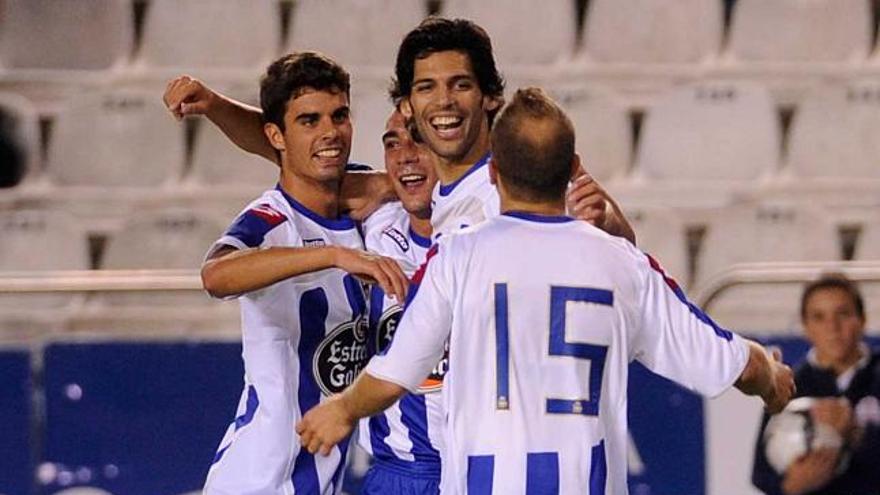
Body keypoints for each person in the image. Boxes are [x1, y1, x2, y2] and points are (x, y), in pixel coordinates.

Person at [296, 87, 796, 494]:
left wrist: (341, 408)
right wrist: (771, 377)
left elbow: (396, 371)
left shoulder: (457, 256)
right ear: (572, 166)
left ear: (493, 172)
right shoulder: (621, 263)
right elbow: (731, 362)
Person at [199, 51, 408, 494]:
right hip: (258, 480)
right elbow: (216, 275)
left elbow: (420, 175)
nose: (330, 132)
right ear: (275, 134)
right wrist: (331, 256)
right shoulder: (272, 220)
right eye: (309, 121)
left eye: (340, 115)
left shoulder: (364, 204)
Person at [357, 109, 444, 493]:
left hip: (478, 472)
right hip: (396, 477)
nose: (404, 155)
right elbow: (295, 158)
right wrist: (214, 105)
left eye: (419, 140)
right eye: (392, 144)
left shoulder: (494, 232)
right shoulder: (377, 227)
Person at [752, 274, 880, 495]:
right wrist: (790, 486)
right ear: (805, 326)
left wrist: (858, 434)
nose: (833, 327)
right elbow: (761, 473)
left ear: (862, 320)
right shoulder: (789, 384)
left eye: (843, 314)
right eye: (819, 317)